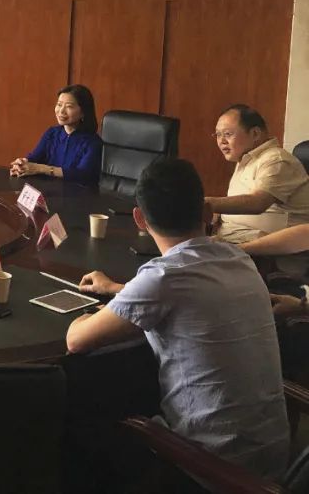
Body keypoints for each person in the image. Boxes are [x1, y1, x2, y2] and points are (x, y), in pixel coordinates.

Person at [66, 157, 288, 481]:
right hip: (275, 462)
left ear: (140, 219)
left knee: (87, 424)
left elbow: (76, 341)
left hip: (212, 471)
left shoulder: (162, 279)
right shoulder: (240, 259)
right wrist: (119, 290)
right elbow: (190, 293)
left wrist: (87, 315)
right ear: (206, 212)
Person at [208, 104, 309, 245]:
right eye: (218, 135)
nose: (221, 141)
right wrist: (219, 214)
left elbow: (257, 203)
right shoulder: (246, 158)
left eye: (228, 134)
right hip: (231, 242)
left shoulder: (276, 160)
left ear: (255, 134)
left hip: (267, 251)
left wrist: (205, 203)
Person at [10, 84, 102, 184]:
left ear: (83, 112)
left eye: (69, 106)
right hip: (48, 189)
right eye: (59, 104)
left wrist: (42, 169)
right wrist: (22, 164)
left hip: (76, 192)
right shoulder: (52, 133)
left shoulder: (93, 142)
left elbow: (82, 175)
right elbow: (35, 158)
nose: (61, 111)